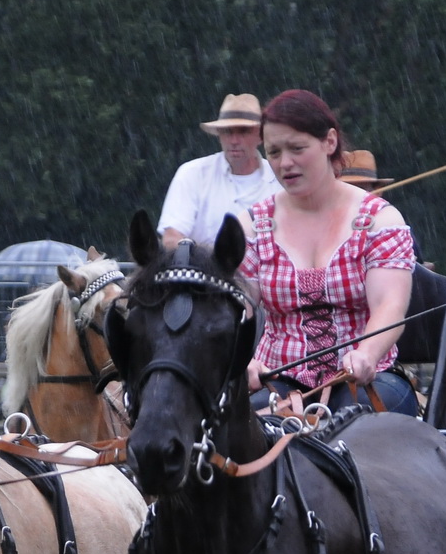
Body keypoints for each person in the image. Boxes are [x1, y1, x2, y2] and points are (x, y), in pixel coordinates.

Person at [236, 89, 421, 418]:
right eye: (274, 152)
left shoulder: (379, 219)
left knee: (359, 426)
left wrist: (366, 353)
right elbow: (238, 312)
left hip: (368, 380)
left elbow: (389, 306)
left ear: (330, 142)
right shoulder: (253, 225)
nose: (285, 163)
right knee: (239, 428)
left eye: (297, 148)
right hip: (276, 381)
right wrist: (242, 362)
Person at [158, 93, 282, 251]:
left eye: (243, 131)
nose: (234, 141)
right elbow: (171, 238)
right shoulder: (192, 174)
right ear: (219, 136)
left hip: (268, 273)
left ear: (260, 136)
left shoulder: (280, 177)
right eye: (228, 131)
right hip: (205, 274)